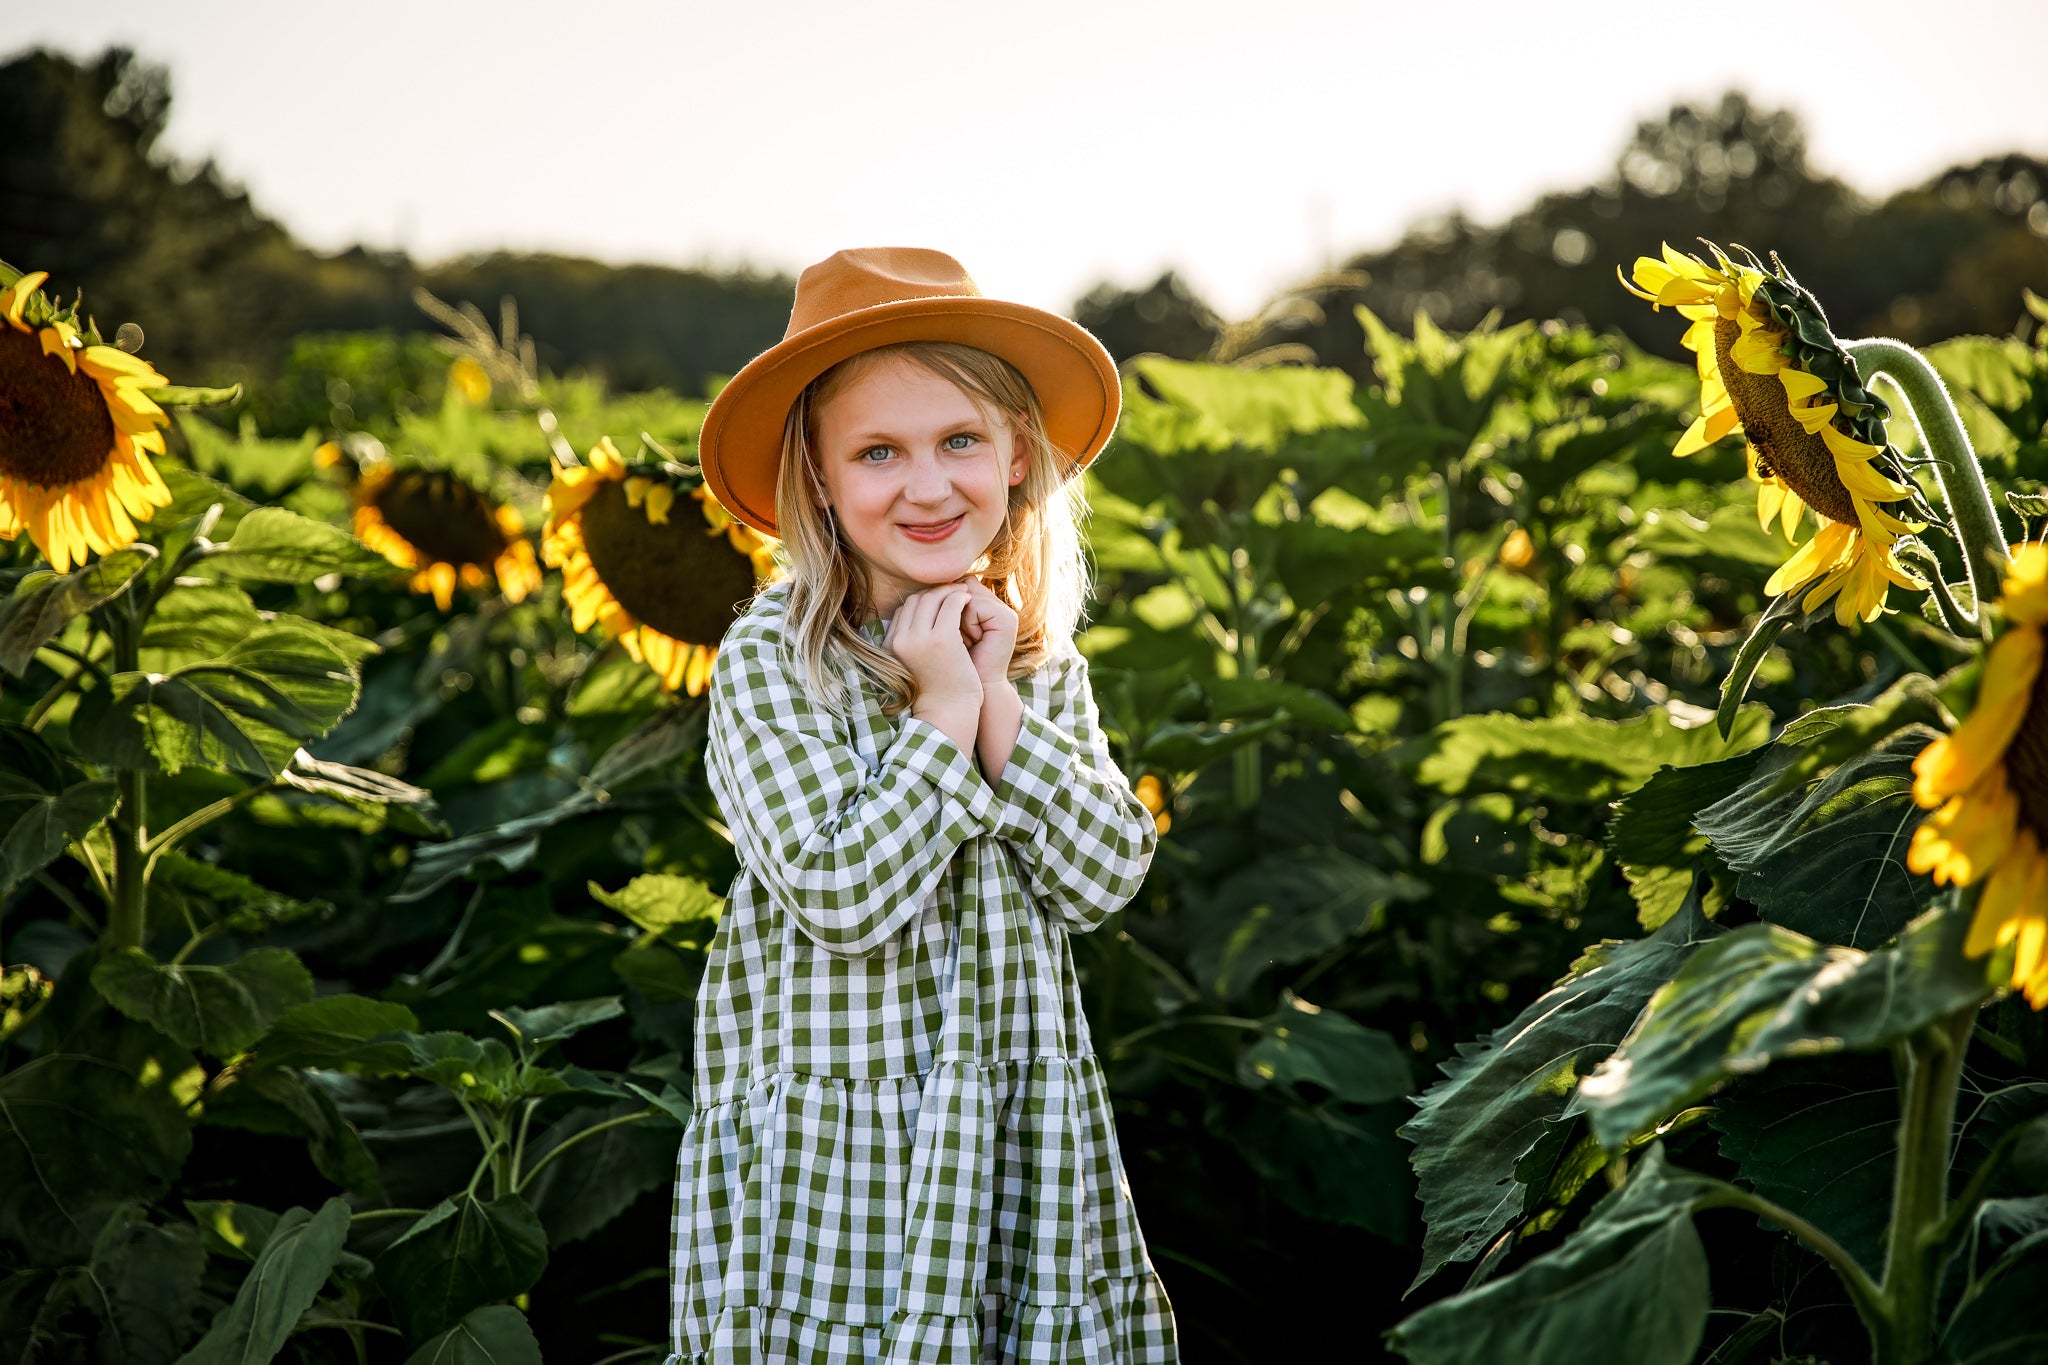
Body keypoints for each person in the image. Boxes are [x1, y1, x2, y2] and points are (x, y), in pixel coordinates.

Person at [666, 247, 1179, 1364]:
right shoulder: (775, 657)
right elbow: (840, 898)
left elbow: (1101, 880)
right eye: (877, 452)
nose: (927, 484)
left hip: (1014, 1129)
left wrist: (993, 696)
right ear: (817, 481)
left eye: (958, 441)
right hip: (839, 1146)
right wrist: (940, 716)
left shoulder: (1036, 659)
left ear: (1016, 456)